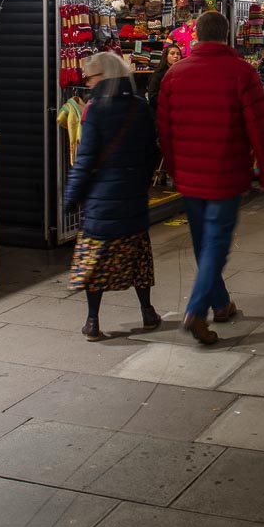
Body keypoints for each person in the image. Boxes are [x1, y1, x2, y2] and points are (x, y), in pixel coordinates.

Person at [157, 11, 264, 345]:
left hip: (189, 176)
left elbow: (164, 130)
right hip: (226, 175)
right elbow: (260, 127)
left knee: (202, 244)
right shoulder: (242, 73)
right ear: (226, 35)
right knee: (217, 244)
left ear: (196, 36)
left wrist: (172, 168)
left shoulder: (174, 75)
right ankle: (196, 310)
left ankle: (221, 303)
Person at [63, 52, 160, 341]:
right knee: (138, 259)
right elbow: (151, 151)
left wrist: (71, 197)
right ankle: (147, 311)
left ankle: (92, 322)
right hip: (133, 198)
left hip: (101, 202)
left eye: (91, 77)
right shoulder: (140, 107)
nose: (87, 82)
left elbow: (86, 159)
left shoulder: (95, 109)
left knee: (96, 265)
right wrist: (141, 181)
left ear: (103, 76)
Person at [145, 43, 182, 112]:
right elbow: (152, 97)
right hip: (161, 112)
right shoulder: (157, 76)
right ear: (166, 56)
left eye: (178, 54)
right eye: (172, 53)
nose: (176, 56)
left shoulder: (182, 75)